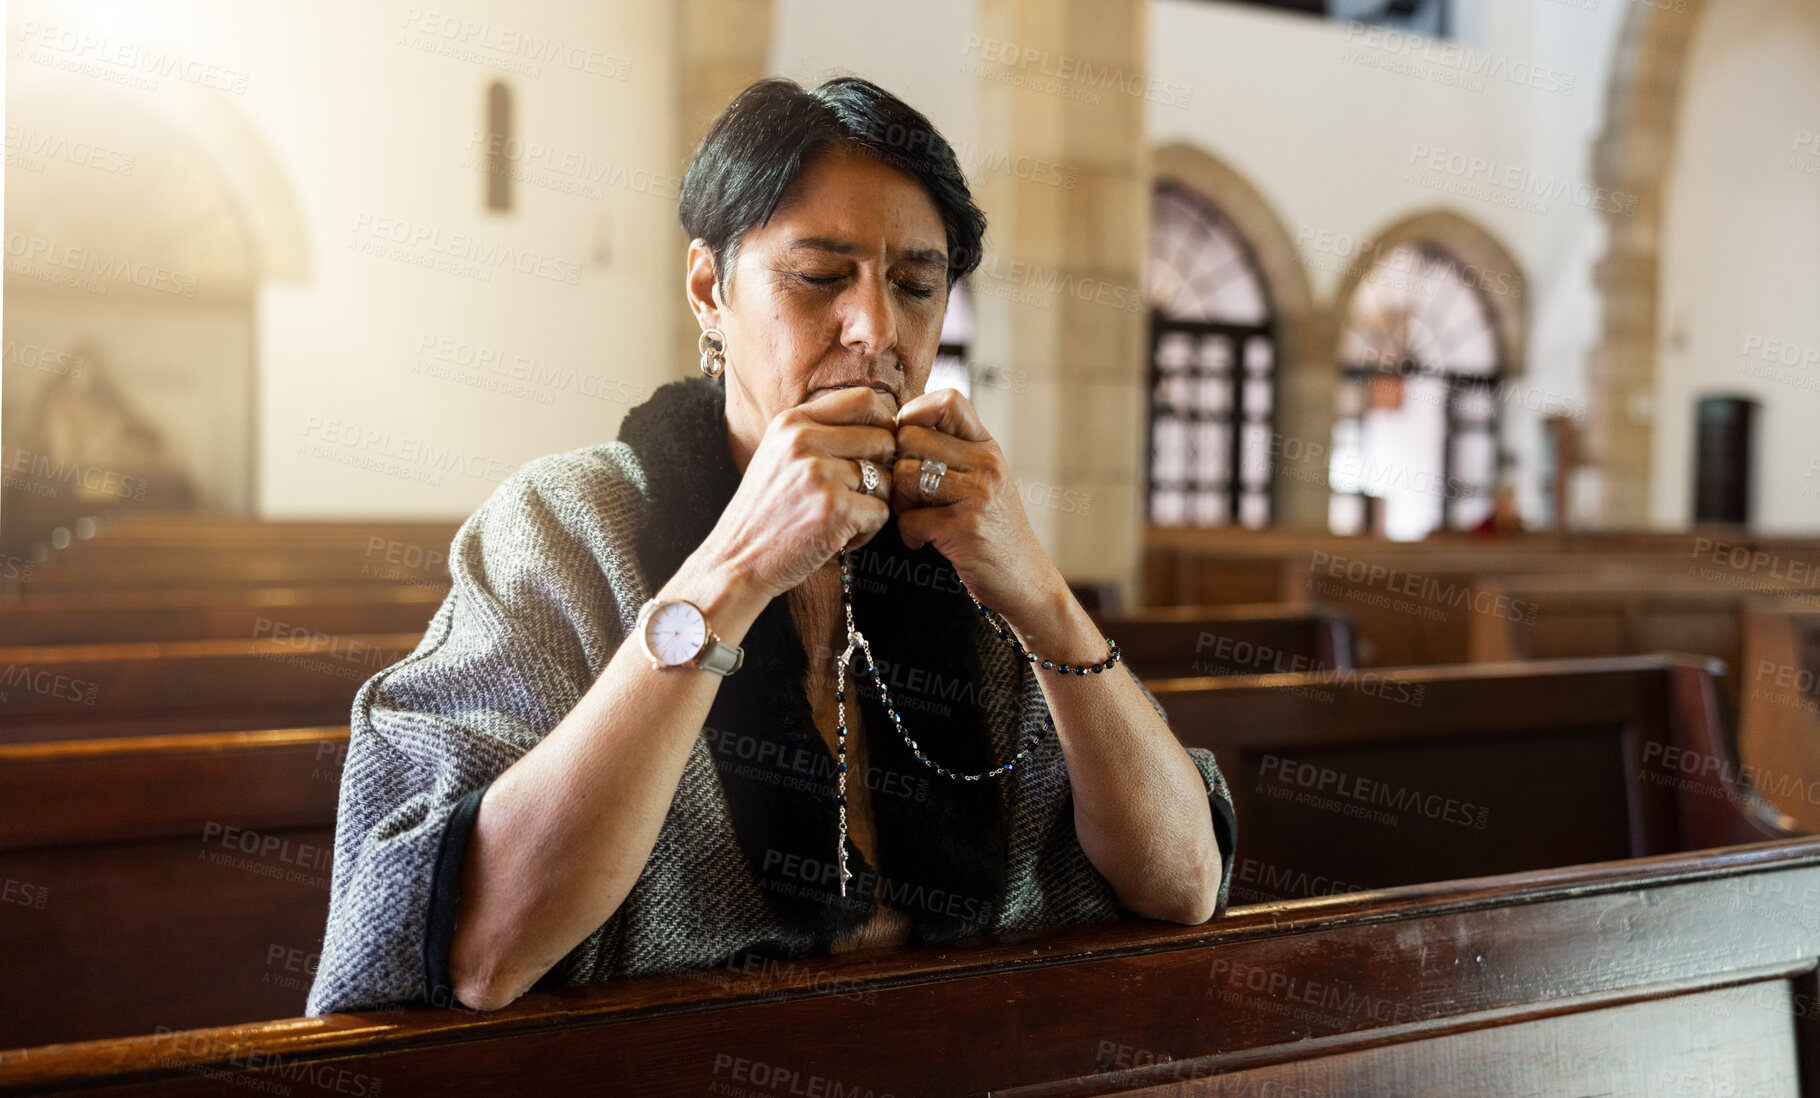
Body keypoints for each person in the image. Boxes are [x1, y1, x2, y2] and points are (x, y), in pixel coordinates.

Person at [306, 76, 1236, 1017]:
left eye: (917, 286)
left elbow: (1186, 883)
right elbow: (478, 949)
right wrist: (738, 565)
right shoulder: (566, 523)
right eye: (820, 277)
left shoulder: (959, 544)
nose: (877, 329)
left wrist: (1036, 590)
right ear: (710, 289)